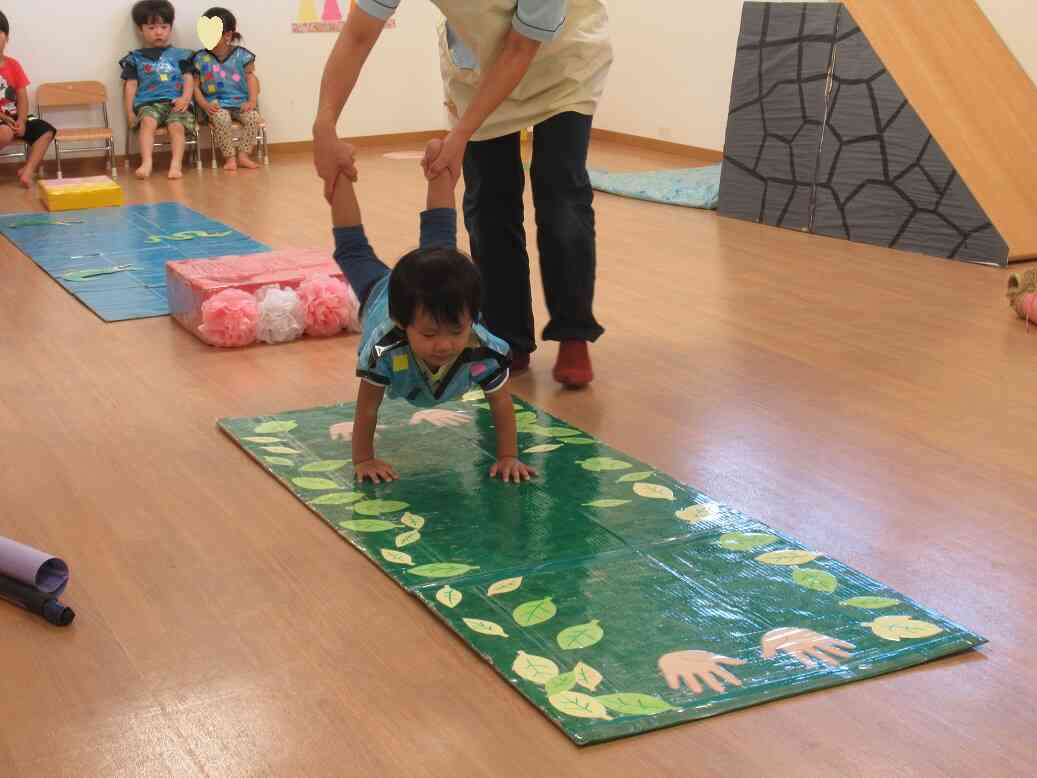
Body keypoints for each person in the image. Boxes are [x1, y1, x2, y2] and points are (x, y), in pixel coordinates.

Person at [314, 1, 612, 387]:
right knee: (488, 202)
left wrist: (462, 133)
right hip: (480, 61)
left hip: (562, 60)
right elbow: (357, 35)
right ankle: (506, 337)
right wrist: (325, 124)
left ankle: (573, 332)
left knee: (561, 197)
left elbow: (521, 48)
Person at [331, 139, 538, 485]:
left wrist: (507, 456)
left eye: (455, 332)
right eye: (428, 335)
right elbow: (368, 407)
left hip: (434, 296)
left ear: (471, 319)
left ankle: (441, 167)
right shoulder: (385, 347)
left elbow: (501, 404)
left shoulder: (480, 347)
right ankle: (338, 173)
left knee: (442, 246)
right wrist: (364, 459)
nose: (444, 345)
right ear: (403, 325)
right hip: (384, 296)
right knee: (352, 252)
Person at [119, 0, 196, 179]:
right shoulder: (134, 58)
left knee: (176, 126)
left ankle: (175, 165)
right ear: (141, 29)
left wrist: (185, 98)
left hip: (177, 102)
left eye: (163, 26)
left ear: (170, 28)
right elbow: (130, 85)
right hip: (148, 103)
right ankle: (147, 163)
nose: (158, 32)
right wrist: (129, 111)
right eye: (152, 27)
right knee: (147, 123)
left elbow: (188, 78)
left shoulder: (181, 55)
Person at [192, 7, 262, 171]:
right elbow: (194, 87)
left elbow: (251, 78)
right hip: (215, 105)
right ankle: (229, 157)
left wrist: (251, 101)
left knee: (253, 117)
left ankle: (244, 156)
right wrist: (205, 105)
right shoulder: (200, 58)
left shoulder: (242, 55)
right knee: (222, 118)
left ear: (227, 35)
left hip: (241, 103)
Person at [0, 11, 56, 188]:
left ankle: (28, 170)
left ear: (6, 37)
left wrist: (23, 120)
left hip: (15, 116)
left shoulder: (13, 65)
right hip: (2, 121)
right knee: (5, 132)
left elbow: (23, 98)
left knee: (46, 131)